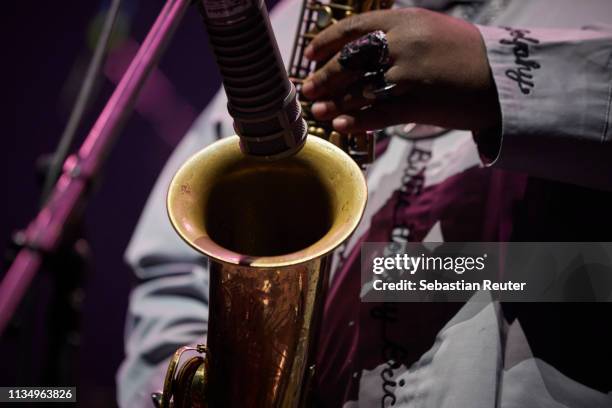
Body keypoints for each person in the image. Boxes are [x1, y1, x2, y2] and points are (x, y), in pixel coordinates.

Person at [117, 0, 612, 407]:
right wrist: (206, 387)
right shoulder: (292, 28)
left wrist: (495, 73)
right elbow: (177, 271)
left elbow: (586, 272)